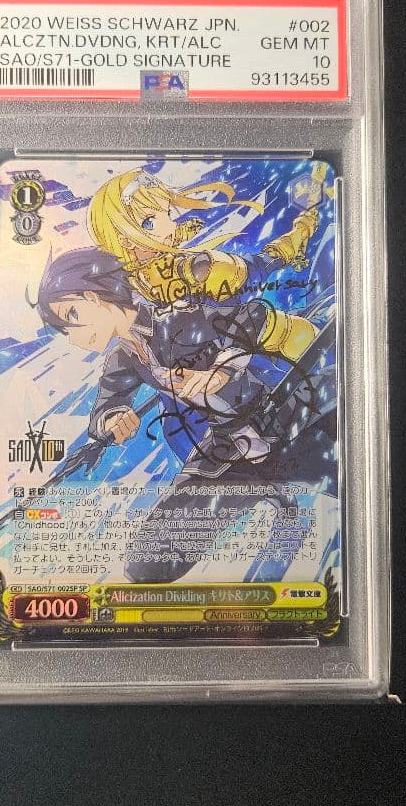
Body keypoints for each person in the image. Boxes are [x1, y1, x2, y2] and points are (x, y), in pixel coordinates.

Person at [33, 247, 336, 582]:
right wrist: (112, 419)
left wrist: (224, 369)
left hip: (280, 416)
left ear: (94, 295)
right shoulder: (124, 357)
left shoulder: (177, 309)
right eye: (64, 331)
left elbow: (253, 316)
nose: (74, 337)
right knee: (147, 562)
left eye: (72, 314)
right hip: (227, 451)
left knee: (349, 464)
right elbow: (109, 399)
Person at [86, 164, 330, 307]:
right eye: (149, 222)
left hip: (223, 318)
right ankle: (301, 230)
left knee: (257, 266)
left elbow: (162, 244)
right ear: (125, 238)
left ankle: (302, 230)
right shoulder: (136, 279)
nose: (169, 226)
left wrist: (182, 234)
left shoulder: (144, 269)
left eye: (168, 213)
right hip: (214, 328)